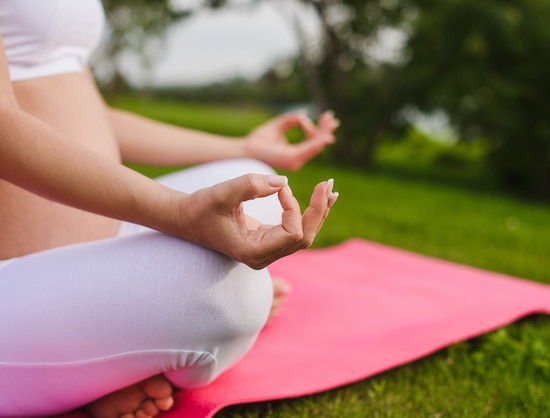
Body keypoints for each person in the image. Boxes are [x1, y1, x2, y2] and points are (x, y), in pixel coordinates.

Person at [0, 1, 339, 417]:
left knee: (257, 186)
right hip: (11, 270)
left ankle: (100, 362)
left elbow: (95, 117)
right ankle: (101, 369)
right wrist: (180, 214)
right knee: (231, 294)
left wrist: (242, 148)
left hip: (91, 237)